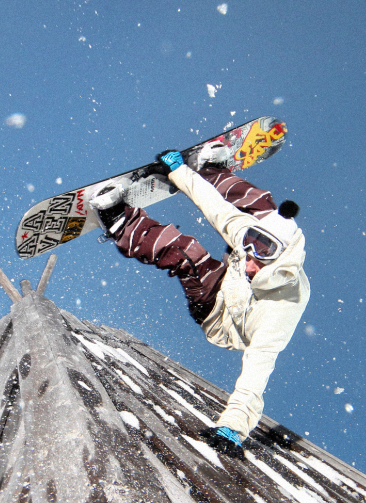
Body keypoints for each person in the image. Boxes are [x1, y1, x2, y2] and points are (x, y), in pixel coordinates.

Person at [89, 142, 309, 458]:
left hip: (220, 316)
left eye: (259, 259)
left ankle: (120, 223)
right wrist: (179, 171)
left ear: (280, 260)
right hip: (233, 283)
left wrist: (235, 425)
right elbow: (214, 208)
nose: (249, 260)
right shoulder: (252, 239)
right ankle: (213, 172)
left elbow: (255, 375)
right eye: (248, 249)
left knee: (187, 252)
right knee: (263, 208)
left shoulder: (280, 312)